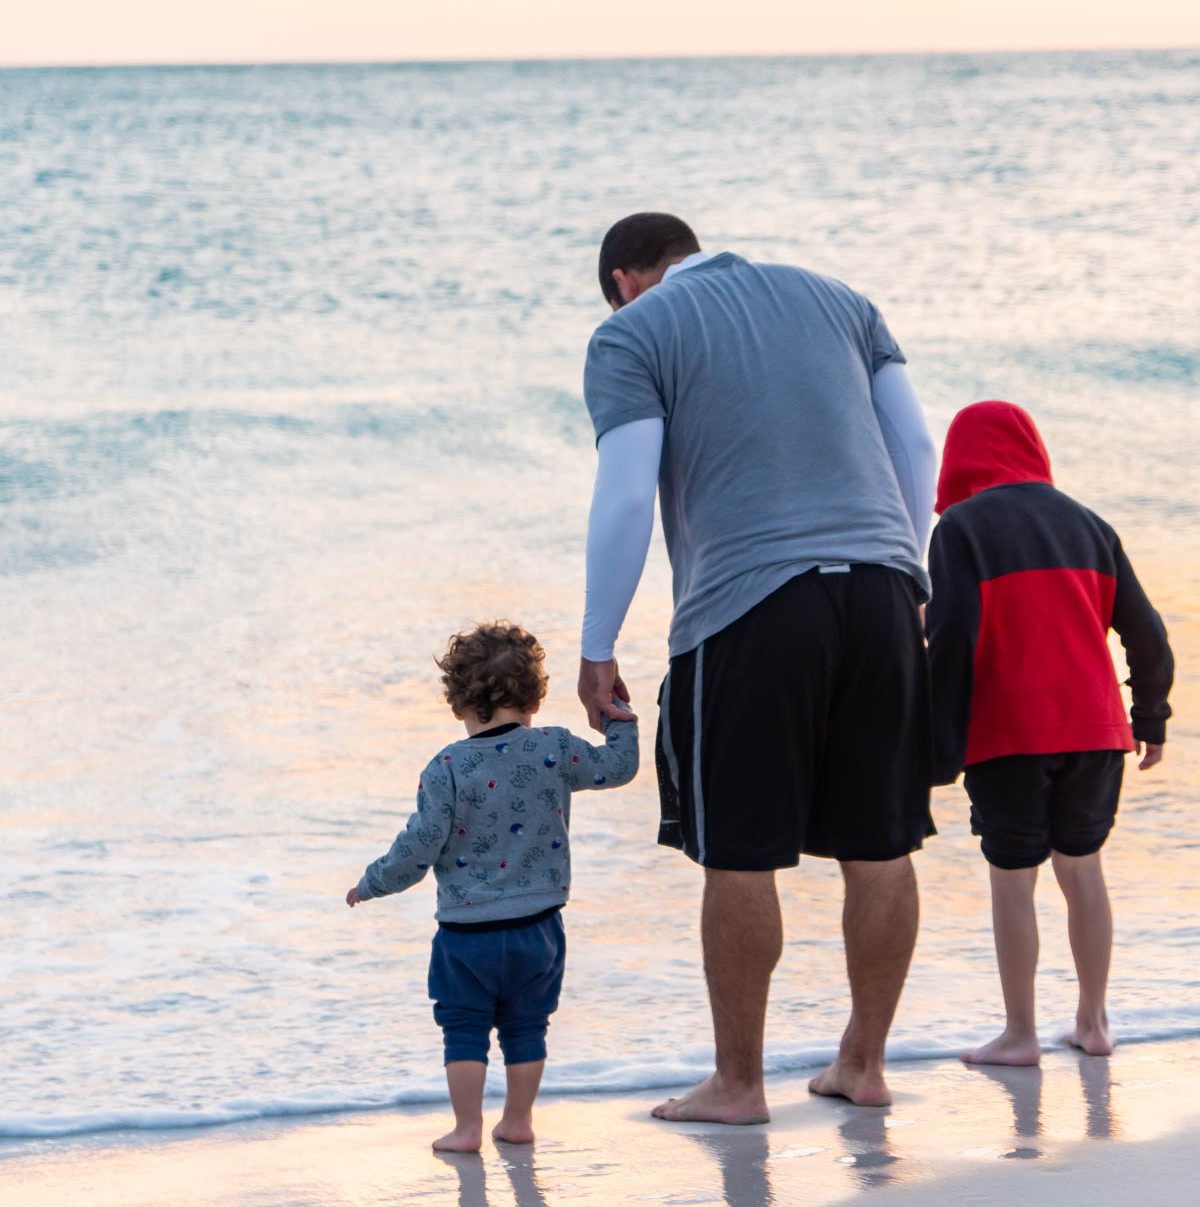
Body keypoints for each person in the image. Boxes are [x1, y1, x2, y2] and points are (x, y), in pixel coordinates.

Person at [578, 213, 938, 1118]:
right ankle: (863, 1064)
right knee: (881, 843)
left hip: (750, 604)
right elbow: (916, 449)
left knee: (739, 852)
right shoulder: (844, 301)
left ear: (625, 277)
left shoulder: (633, 331)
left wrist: (597, 644)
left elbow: (626, 494)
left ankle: (739, 1085)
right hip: (884, 589)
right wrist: (911, 569)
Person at [926, 401, 1173, 1065]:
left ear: (960, 460)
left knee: (1014, 878)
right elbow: (1147, 634)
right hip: (1096, 731)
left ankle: (1020, 1035)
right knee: (1082, 867)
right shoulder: (1090, 527)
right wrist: (1150, 715)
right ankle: (1093, 1023)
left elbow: (950, 639)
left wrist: (938, 748)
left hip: (1008, 732)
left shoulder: (963, 531)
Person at [346, 622, 638, 1151]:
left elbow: (420, 845)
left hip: (466, 934)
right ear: (535, 694)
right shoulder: (555, 748)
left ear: (458, 701)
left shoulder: (448, 767)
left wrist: (372, 883)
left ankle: (467, 1129)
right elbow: (618, 768)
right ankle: (519, 1121)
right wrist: (618, 718)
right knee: (528, 1026)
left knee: (463, 1029)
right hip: (539, 929)